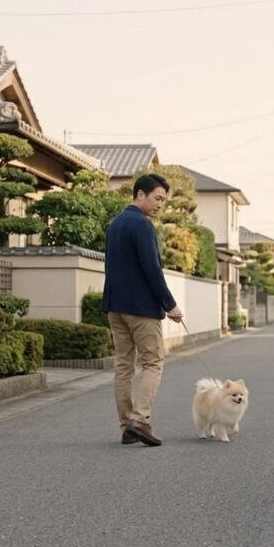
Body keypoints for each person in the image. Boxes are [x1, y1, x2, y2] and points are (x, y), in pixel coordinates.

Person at [103, 173, 183, 447]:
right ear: (140, 195)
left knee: (123, 365)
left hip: (115, 306)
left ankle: (127, 426)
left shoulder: (115, 224)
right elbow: (152, 269)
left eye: (163, 200)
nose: (160, 204)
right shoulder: (142, 225)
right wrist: (169, 304)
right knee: (153, 361)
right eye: (157, 198)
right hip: (142, 308)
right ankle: (140, 419)